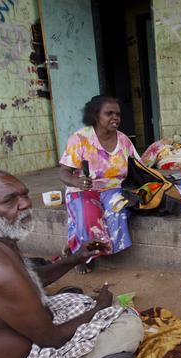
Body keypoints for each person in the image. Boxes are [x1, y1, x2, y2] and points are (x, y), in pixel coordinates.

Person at [0, 170, 143, 358]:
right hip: (31, 356)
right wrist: (100, 307)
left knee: (91, 303)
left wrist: (75, 259)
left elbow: (30, 279)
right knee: (128, 327)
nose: (25, 203)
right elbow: (52, 339)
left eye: (24, 194)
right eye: (10, 200)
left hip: (33, 336)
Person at [59, 96, 140, 273]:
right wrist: (76, 181)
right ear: (96, 116)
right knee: (88, 213)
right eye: (109, 113)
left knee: (118, 209)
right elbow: (63, 172)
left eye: (118, 114)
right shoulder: (80, 139)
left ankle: (95, 248)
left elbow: (138, 167)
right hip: (83, 188)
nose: (115, 118)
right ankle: (83, 256)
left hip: (113, 188)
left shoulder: (124, 140)